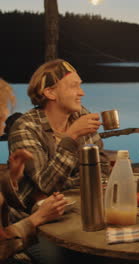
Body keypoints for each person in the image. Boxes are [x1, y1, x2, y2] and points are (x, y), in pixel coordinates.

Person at [8, 59, 109, 218]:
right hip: (32, 221)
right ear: (50, 93)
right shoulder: (25, 127)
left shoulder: (80, 115)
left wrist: (65, 183)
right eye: (73, 86)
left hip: (74, 208)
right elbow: (46, 185)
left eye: (80, 85)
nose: (81, 92)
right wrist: (71, 137)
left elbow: (101, 172)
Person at [0, 78, 67, 263]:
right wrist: (37, 219)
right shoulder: (26, 129)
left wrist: (11, 178)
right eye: (0, 118)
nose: (2, 129)